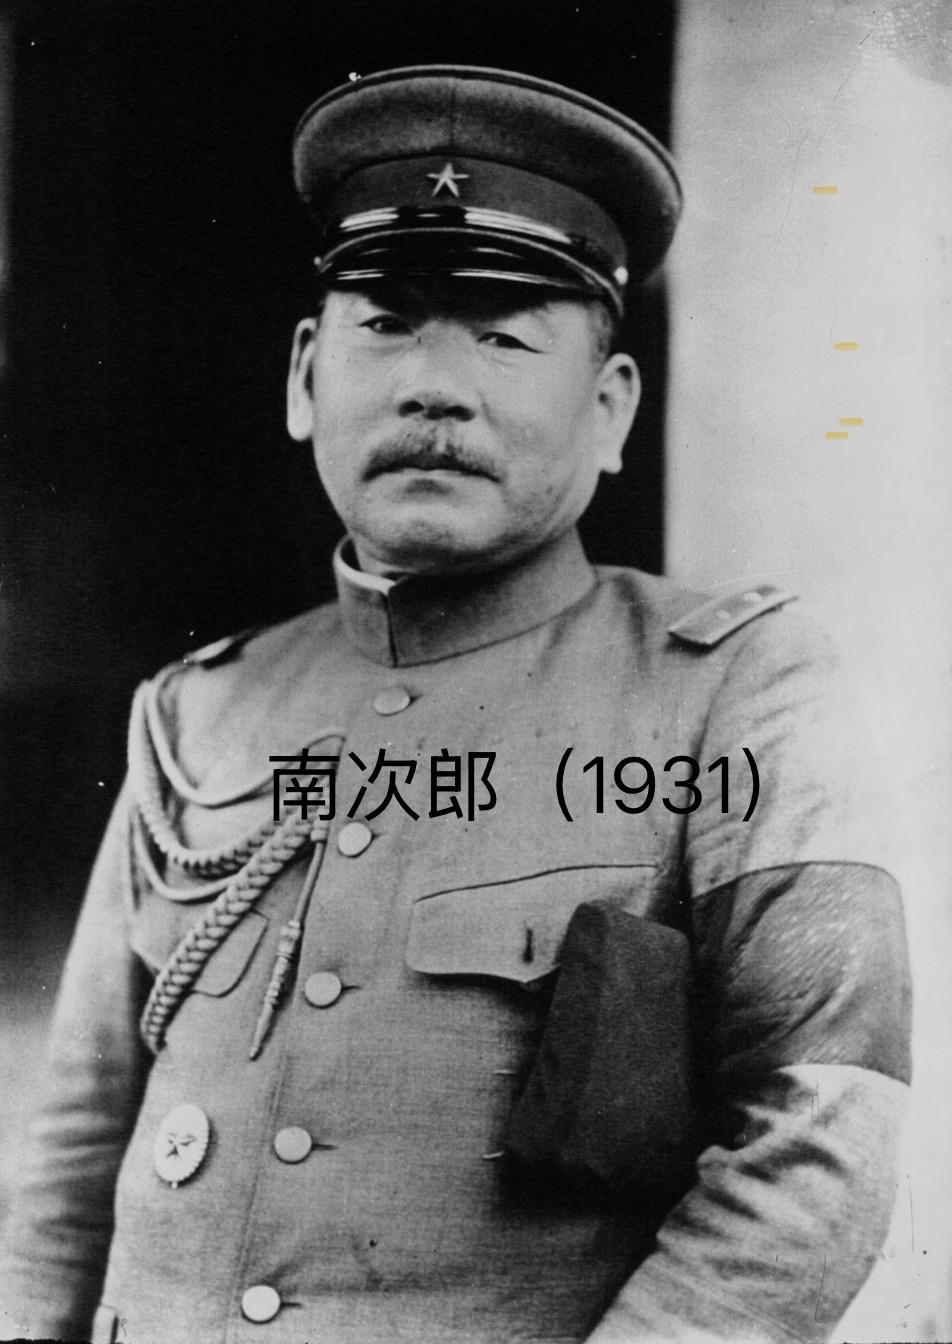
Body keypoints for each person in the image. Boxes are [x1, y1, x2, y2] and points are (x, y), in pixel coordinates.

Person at [0, 65, 911, 1344]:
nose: (434, 383)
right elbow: (74, 1152)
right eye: (387, 322)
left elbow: (816, 1143)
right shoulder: (198, 712)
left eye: (505, 334)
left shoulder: (737, 690)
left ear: (610, 408)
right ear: (304, 377)